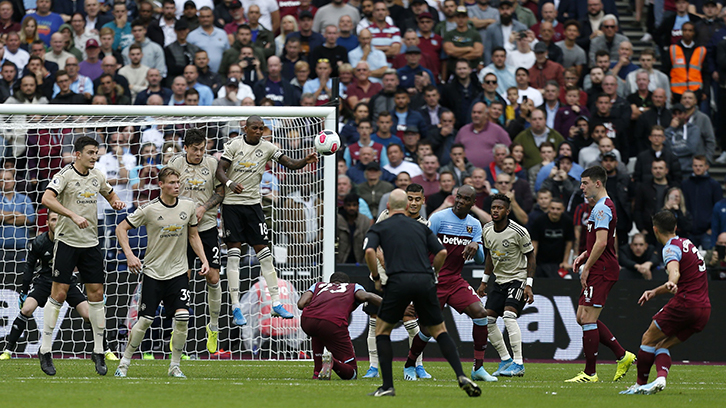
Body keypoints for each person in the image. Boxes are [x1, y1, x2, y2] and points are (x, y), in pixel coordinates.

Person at [363, 189, 481, 397]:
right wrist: (433, 274)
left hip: (398, 281)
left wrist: (375, 278)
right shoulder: (422, 227)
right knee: (439, 331)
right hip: (425, 281)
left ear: (388, 207)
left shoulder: (381, 226)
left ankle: (387, 386)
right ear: (407, 206)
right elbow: (442, 252)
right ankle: (461, 374)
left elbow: (370, 251)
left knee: (382, 331)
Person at [216, 116, 317, 325]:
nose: (259, 131)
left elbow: (289, 163)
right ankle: (236, 306)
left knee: (265, 253)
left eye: (262, 128)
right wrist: (230, 183)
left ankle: (277, 303)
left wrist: (304, 161)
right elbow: (219, 170)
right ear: (245, 128)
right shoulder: (234, 145)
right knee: (234, 255)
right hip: (232, 206)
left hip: (254, 207)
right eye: (255, 128)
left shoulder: (268, 147)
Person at [38, 136, 126, 376]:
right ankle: (45, 350)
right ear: (77, 154)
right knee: (59, 293)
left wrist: (116, 201)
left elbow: (109, 194)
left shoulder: (97, 175)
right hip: (67, 242)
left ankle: (98, 351)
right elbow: (46, 198)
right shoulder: (65, 175)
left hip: (91, 244)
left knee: (97, 294)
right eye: (90, 152)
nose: (94, 156)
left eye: (96, 152)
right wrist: (71, 215)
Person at [114, 167, 207, 379]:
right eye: (172, 182)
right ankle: (125, 362)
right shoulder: (149, 209)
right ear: (161, 185)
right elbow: (121, 228)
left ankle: (175, 366)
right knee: (145, 320)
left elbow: (193, 235)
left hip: (178, 272)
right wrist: (129, 255)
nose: (177, 186)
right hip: (154, 272)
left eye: (178, 182)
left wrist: (203, 260)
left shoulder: (188, 206)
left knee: (183, 317)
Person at [404, 185, 495, 381]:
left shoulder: (474, 225)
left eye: (465, 199)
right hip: (432, 281)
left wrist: (476, 245)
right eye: (458, 197)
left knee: (480, 313)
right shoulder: (438, 218)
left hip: (454, 280)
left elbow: (480, 259)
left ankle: (478, 368)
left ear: (472, 203)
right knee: (428, 329)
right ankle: (410, 365)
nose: (460, 201)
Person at [0, 211, 117, 361]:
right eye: (53, 220)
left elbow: (85, 267)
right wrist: (23, 291)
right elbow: (29, 267)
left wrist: (94, 290)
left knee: (90, 315)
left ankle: (105, 349)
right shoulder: (39, 242)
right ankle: (8, 351)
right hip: (45, 281)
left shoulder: (73, 242)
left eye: (59, 220)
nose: (57, 223)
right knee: (27, 309)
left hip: (67, 282)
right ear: (47, 223)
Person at [620, 210, 711, 395]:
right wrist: (655, 291)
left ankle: (639, 385)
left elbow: (675, 272)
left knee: (647, 339)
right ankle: (660, 379)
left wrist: (672, 280)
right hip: (703, 310)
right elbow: (680, 278)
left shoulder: (670, 248)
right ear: (675, 227)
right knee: (661, 345)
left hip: (686, 304)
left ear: (655, 230)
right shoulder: (687, 243)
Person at [566, 165, 636, 383]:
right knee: (582, 317)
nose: (581, 187)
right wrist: (585, 255)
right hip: (599, 265)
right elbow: (599, 241)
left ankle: (590, 373)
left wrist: (587, 267)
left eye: (585, 183)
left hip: (602, 269)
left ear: (597, 183)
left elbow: (603, 242)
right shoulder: (601, 206)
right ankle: (622, 355)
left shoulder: (602, 208)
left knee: (587, 318)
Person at [165, 129, 224, 354]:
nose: (199, 153)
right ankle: (177, 329)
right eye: (195, 149)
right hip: (181, 228)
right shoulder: (175, 163)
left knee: (213, 275)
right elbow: (167, 191)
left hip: (206, 227)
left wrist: (203, 207)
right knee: (182, 277)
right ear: (186, 148)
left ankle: (214, 326)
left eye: (203, 149)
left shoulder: (212, 163)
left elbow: (220, 193)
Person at [477, 192, 535, 377]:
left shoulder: (519, 231)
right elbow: (490, 256)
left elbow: (531, 257)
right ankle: (506, 359)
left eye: (499, 208)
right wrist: (484, 282)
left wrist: (528, 284)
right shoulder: (486, 229)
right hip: (499, 281)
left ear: (507, 211)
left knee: (509, 316)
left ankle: (519, 363)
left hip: (517, 279)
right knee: (488, 320)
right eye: (493, 207)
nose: (495, 211)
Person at [298, 272, 381, 380]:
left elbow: (301, 304)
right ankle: (333, 362)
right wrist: (392, 306)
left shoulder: (318, 285)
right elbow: (366, 296)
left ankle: (317, 372)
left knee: (317, 331)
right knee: (352, 373)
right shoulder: (354, 286)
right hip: (333, 323)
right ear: (347, 282)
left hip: (307, 321)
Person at [531, 198, 574, 278]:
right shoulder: (539, 221)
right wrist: (532, 263)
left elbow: (569, 243)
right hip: (541, 261)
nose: (555, 211)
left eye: (558, 209)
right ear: (548, 208)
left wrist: (565, 261)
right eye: (552, 208)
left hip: (559, 262)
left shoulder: (567, 222)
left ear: (563, 209)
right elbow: (534, 243)